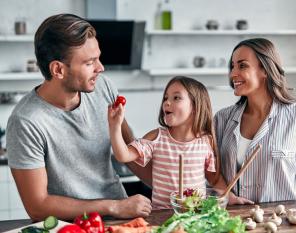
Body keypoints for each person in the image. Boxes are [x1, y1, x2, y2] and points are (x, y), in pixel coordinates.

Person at [6, 13, 152, 221]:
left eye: (98, 58)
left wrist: (168, 188)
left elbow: (131, 152)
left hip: (122, 218)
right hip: (74, 225)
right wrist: (114, 206)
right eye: (89, 62)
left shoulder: (103, 87)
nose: (100, 68)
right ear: (58, 69)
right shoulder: (26, 122)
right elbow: (37, 206)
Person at [214, 38, 296, 203]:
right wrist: (227, 196)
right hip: (233, 222)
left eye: (242, 65)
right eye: (232, 66)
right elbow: (212, 169)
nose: (233, 74)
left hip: (280, 222)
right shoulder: (222, 119)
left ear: (265, 70)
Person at [108, 76, 220, 209]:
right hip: (161, 216)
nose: (166, 102)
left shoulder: (206, 141)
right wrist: (115, 127)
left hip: (196, 215)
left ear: (195, 107)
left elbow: (215, 178)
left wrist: (229, 196)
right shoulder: (157, 137)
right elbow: (123, 156)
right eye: (166, 98)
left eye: (176, 98)